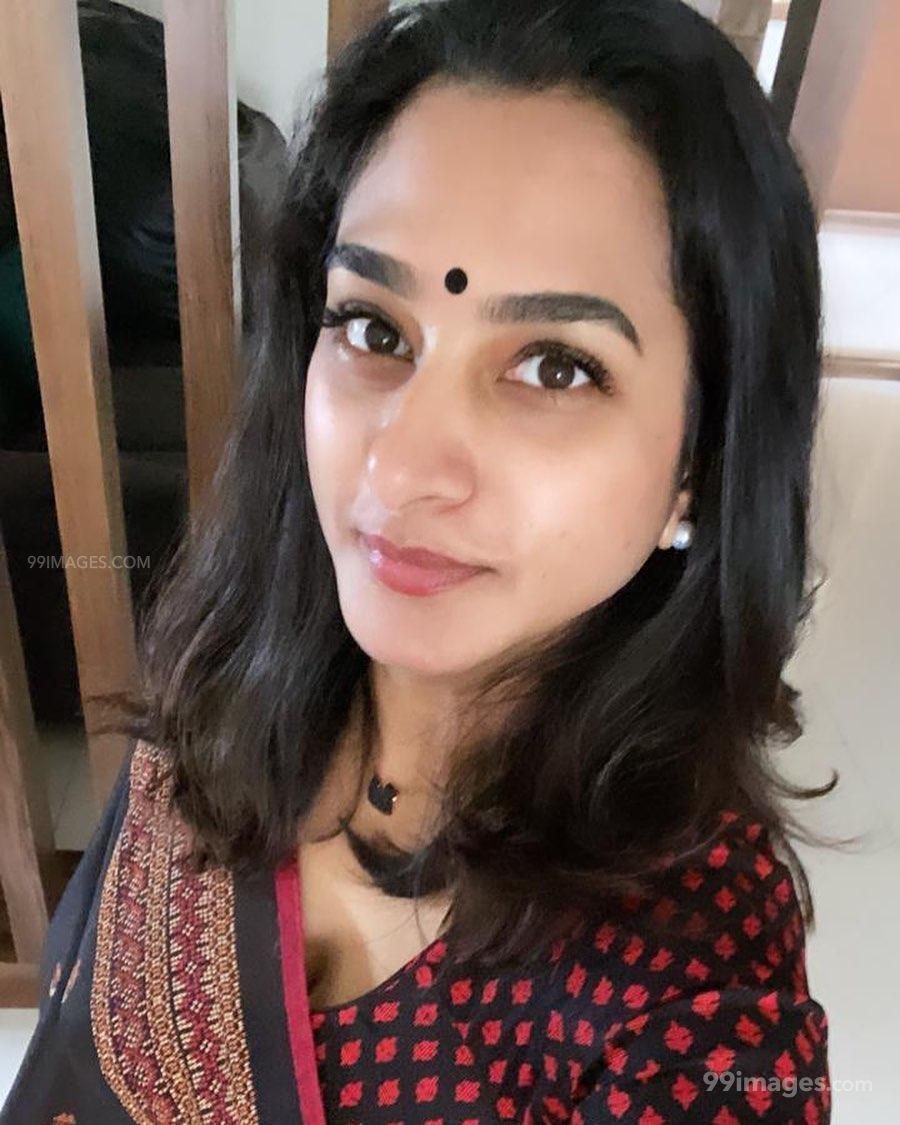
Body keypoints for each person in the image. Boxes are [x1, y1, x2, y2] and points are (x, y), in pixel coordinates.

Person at [2, 0, 838, 1120]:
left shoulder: (693, 1003)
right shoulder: (230, 671)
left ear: (702, 458)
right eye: (375, 329)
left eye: (554, 367)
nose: (398, 468)